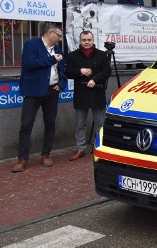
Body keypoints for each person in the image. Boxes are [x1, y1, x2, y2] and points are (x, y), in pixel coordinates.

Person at [11, 24, 67, 172]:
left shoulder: (58, 51)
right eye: (58, 35)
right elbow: (29, 64)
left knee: (50, 123)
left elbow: (63, 71)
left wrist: (61, 84)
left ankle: (46, 154)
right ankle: (23, 158)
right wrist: (51, 60)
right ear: (50, 33)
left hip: (51, 92)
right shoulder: (32, 45)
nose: (60, 39)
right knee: (26, 125)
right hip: (33, 91)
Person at [65, 30, 111, 160]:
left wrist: (94, 80)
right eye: (84, 40)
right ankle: (80, 149)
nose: (86, 42)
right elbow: (67, 72)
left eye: (89, 40)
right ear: (80, 41)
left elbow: (107, 71)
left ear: (93, 40)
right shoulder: (73, 55)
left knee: (100, 123)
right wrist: (80, 71)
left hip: (97, 92)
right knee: (80, 124)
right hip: (81, 94)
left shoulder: (101, 55)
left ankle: (100, 148)